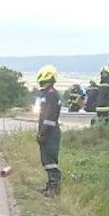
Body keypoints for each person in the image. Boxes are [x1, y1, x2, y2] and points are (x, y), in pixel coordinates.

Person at [36, 65, 62, 196]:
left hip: (50, 133)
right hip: (48, 132)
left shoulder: (51, 94)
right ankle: (50, 186)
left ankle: (54, 188)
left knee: (51, 161)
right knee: (46, 160)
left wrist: (43, 132)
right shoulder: (47, 94)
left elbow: (49, 117)